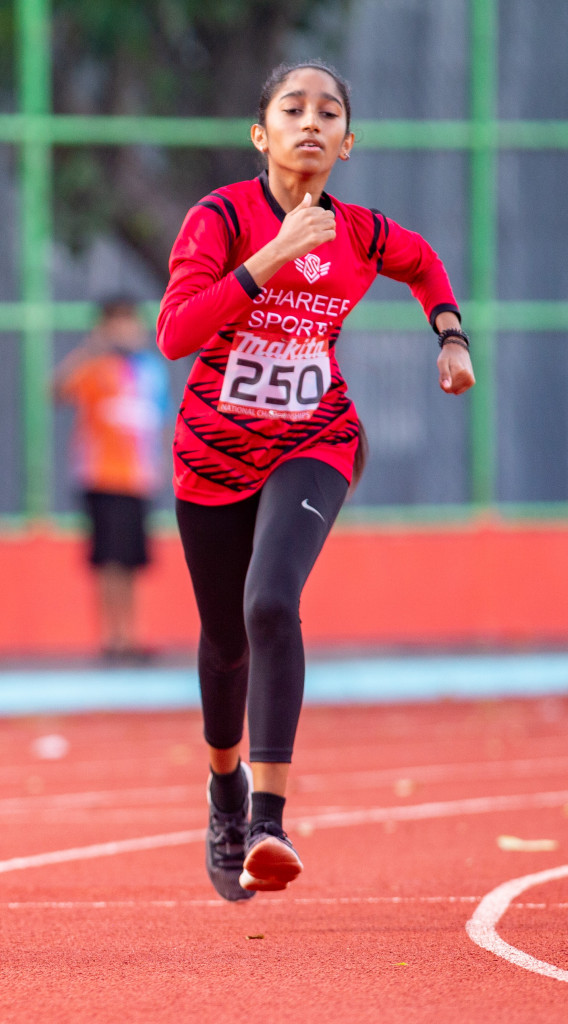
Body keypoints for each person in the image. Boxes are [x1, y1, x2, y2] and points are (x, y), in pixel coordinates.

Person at [155, 61, 473, 901]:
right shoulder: (220, 217)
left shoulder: (361, 231)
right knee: (225, 639)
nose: (311, 122)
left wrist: (450, 336)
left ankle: (267, 819)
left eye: (328, 112)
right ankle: (224, 790)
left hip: (315, 437)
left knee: (271, 604)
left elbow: (424, 261)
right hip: (212, 456)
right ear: (261, 135)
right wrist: (267, 260)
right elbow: (174, 335)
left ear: (346, 143)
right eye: (291, 109)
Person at [52, 297, 169, 663]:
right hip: (101, 477)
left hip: (139, 479)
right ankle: (111, 638)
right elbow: (57, 391)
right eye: (116, 324)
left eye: (131, 323)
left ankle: (131, 636)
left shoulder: (150, 369)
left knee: (133, 561)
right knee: (108, 560)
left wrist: (163, 467)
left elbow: (158, 421)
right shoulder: (95, 367)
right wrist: (92, 347)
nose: (126, 331)